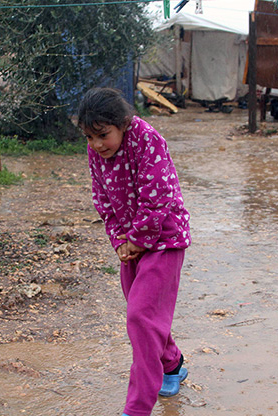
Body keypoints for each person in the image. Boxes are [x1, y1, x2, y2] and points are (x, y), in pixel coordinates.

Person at [77, 87, 191, 416]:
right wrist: (119, 241)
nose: (97, 145)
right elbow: (102, 198)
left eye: (103, 135)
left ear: (124, 123)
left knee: (141, 316)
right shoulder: (96, 152)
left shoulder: (147, 139)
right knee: (145, 314)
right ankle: (172, 364)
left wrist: (138, 239)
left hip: (164, 239)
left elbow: (159, 196)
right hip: (131, 244)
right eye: (89, 137)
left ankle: (137, 407)